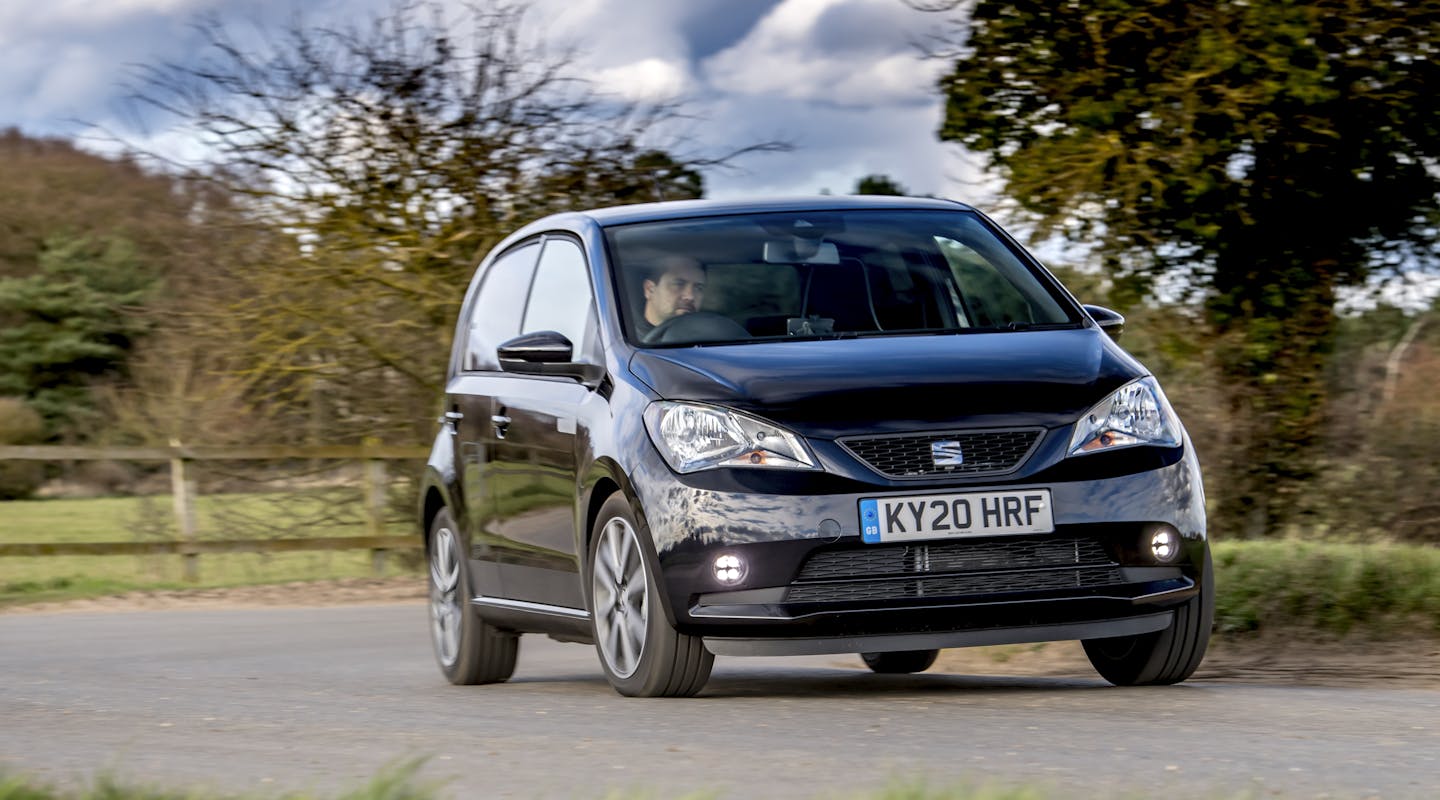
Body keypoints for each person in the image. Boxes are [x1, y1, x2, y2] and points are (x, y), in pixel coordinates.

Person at [636, 256, 706, 337]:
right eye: (678, 284)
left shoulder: (707, 338)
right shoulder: (624, 341)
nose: (690, 296)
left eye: (698, 288)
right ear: (650, 289)